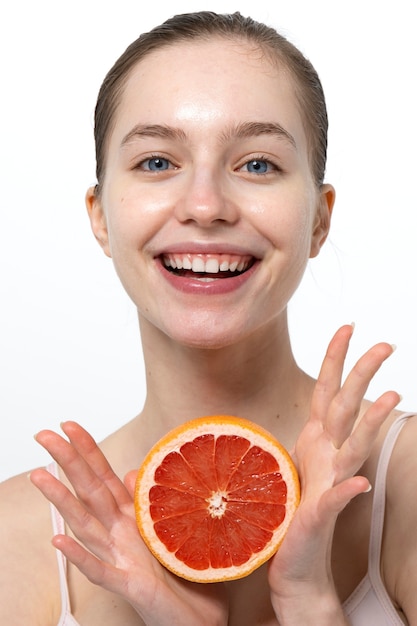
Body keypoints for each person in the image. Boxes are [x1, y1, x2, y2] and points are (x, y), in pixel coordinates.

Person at [0, 10, 415, 625]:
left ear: (319, 220)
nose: (204, 206)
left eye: (257, 164)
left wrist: (310, 606)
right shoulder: (21, 533)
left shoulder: (406, 486)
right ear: (101, 217)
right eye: (157, 162)